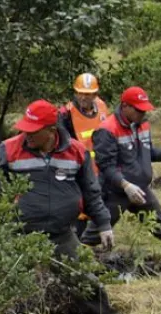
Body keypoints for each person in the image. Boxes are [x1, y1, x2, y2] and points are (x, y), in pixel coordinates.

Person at [0, 99, 141, 314]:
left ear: (51, 131)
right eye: (25, 129)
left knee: (86, 282)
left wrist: (104, 224)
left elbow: (91, 192)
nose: (27, 135)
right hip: (18, 233)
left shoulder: (76, 152)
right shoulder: (10, 149)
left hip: (61, 234)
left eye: (33, 131)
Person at [79, 87, 161, 275]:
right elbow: (105, 166)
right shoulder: (107, 130)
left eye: (145, 110)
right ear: (125, 106)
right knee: (94, 234)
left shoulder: (143, 124)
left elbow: (145, 153)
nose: (143, 113)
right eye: (139, 110)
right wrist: (125, 185)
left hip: (141, 190)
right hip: (114, 192)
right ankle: (77, 269)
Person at [58, 73, 112, 235]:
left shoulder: (102, 107)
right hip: (78, 169)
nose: (83, 97)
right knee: (79, 209)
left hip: (100, 168)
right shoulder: (65, 114)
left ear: (95, 94)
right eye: (80, 93)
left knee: (96, 205)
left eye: (87, 94)